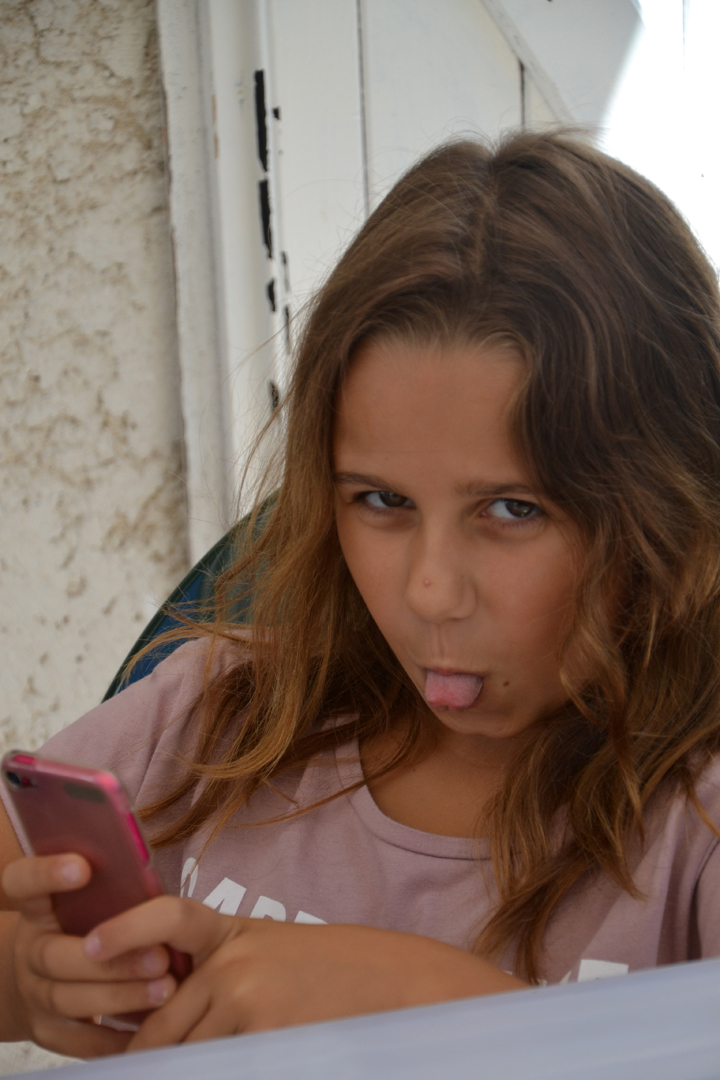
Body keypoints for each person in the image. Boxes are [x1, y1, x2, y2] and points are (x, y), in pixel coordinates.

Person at [3, 128, 720, 1060]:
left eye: (512, 509)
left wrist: (426, 1000)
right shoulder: (217, 713)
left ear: (670, 507)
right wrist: (28, 978)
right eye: (382, 501)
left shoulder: (696, 819)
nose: (430, 592)